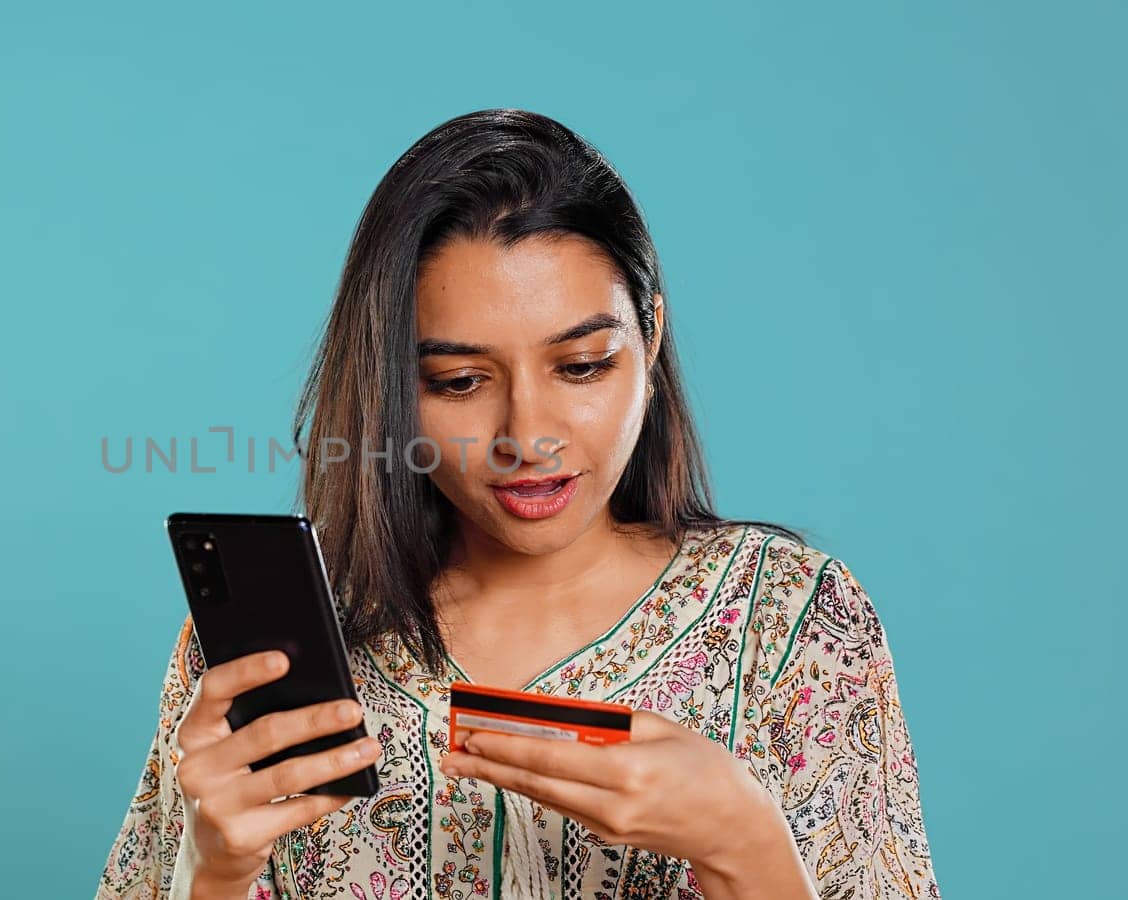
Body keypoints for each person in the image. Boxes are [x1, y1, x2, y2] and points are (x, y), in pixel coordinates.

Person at [96, 108, 937, 899]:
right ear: (393, 385)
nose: (527, 435)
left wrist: (744, 845)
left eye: (581, 366)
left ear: (650, 338)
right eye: (460, 381)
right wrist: (210, 872)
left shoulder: (790, 619)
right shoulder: (264, 664)